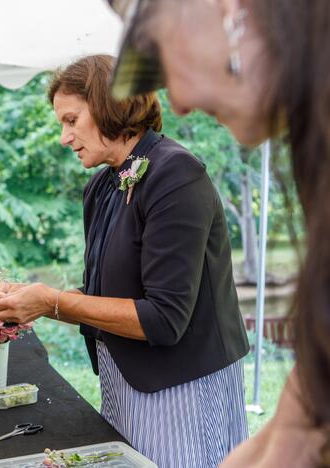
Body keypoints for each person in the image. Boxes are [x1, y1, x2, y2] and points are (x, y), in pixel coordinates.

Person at [0, 54, 249, 467]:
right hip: (124, 381)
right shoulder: (101, 186)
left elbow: (164, 319)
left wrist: (50, 300)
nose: (64, 137)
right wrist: (31, 300)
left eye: (72, 120)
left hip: (179, 385)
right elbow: (103, 297)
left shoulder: (176, 175)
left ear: (110, 104)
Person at [104, 0, 330, 465]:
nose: (180, 102)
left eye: (164, 52)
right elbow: (309, 406)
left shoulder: (175, 171)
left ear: (228, 8)